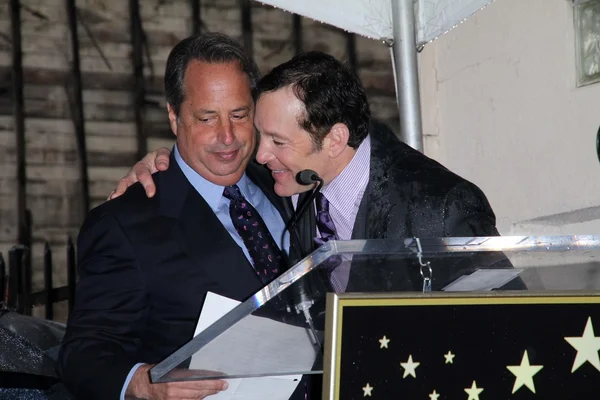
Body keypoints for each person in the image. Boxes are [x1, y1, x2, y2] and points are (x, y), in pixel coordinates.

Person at [114, 51, 517, 292]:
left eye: (278, 141)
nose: (259, 155)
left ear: (336, 139)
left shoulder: (443, 205)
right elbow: (205, 168)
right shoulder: (287, 179)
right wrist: (160, 164)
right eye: (260, 135)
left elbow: (510, 328)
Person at [58, 33, 306, 400]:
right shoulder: (124, 224)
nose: (227, 136)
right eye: (206, 118)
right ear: (174, 116)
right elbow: (84, 353)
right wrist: (142, 382)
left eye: (239, 115)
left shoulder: (284, 176)